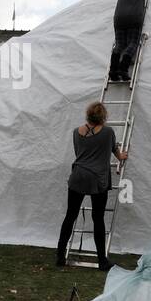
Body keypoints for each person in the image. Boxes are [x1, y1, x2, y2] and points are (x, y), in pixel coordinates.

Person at [55, 100, 127, 269]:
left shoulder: (76, 132)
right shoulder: (108, 132)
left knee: (70, 216)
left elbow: (79, 154)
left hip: (78, 176)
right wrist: (122, 155)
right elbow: (117, 154)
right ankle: (102, 260)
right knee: (98, 218)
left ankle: (59, 256)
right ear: (103, 117)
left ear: (88, 114)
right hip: (97, 179)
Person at [109, 0, 151, 82]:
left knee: (120, 44)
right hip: (134, 15)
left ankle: (113, 71)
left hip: (119, 16)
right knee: (133, 43)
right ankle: (123, 69)